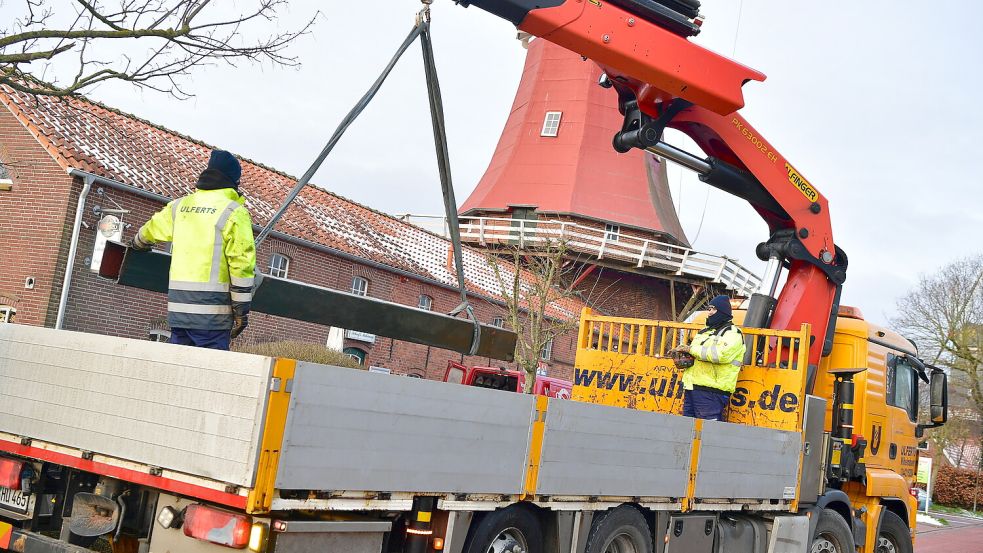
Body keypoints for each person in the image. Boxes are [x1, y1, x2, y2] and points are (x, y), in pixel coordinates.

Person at [130, 150, 256, 350]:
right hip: (212, 316)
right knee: (208, 373)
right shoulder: (234, 212)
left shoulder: (180, 206)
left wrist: (137, 244)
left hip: (179, 312)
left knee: (178, 368)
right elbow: (241, 266)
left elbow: (149, 231)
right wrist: (241, 311)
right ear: (234, 181)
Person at [681, 295, 746, 421]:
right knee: (687, 430)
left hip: (712, 391)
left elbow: (720, 355)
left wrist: (690, 350)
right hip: (693, 386)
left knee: (707, 432)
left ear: (722, 312)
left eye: (712, 309)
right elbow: (697, 353)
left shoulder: (733, 333)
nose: (709, 312)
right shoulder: (704, 331)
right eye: (709, 309)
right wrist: (684, 357)